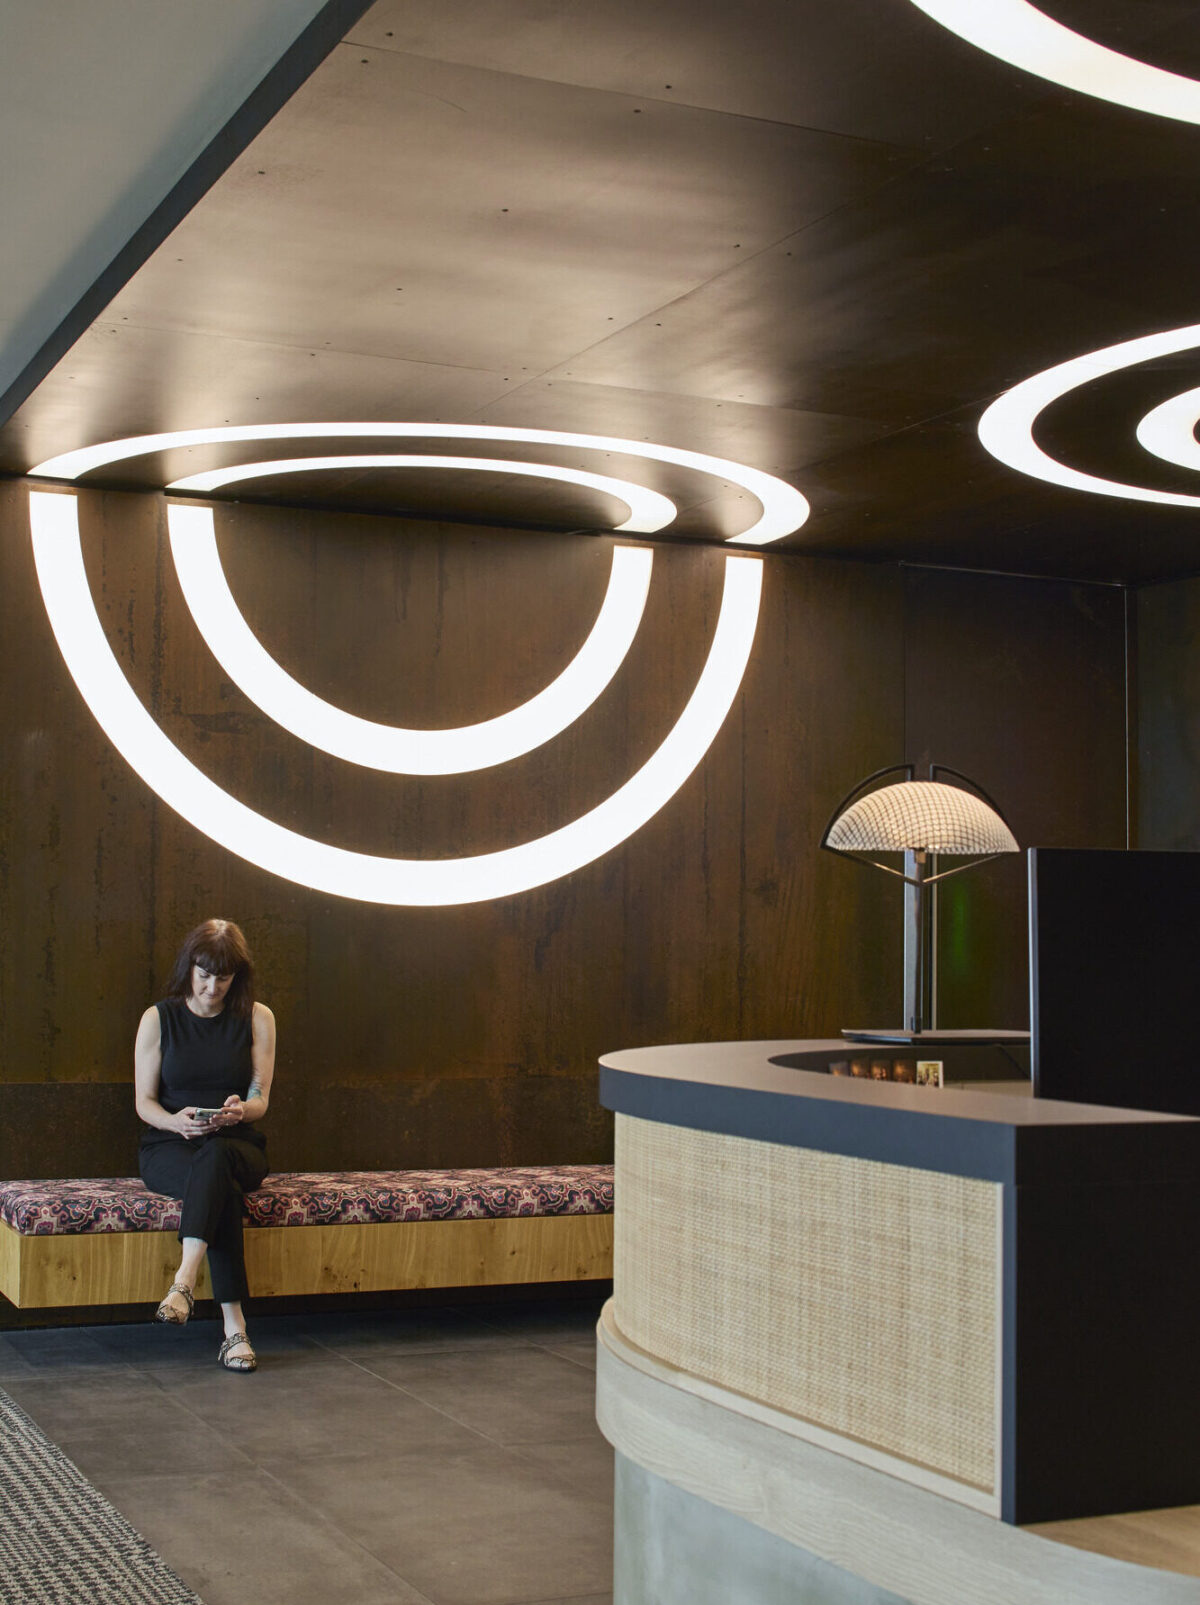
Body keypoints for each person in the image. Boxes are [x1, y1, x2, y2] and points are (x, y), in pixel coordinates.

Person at [134, 919, 276, 1372]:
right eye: (204, 975)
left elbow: (261, 1098)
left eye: (223, 978)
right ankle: (234, 1330)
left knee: (217, 1157)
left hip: (237, 1143)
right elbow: (144, 1103)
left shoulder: (258, 1017)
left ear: (238, 977)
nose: (213, 987)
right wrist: (175, 1124)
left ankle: (184, 1279)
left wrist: (241, 1110)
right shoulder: (159, 1018)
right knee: (222, 1192)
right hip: (169, 1146)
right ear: (189, 967)